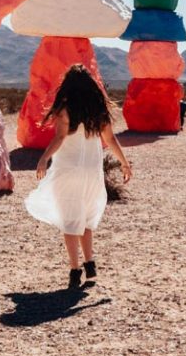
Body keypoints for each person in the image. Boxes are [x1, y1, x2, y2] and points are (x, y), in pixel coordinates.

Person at [24, 65, 132, 290]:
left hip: (68, 170)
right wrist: (123, 162)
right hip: (92, 172)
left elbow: (60, 138)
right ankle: (89, 261)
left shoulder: (65, 108)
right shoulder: (98, 109)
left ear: (68, 86)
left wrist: (44, 158)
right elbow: (110, 139)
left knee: (70, 220)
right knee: (86, 216)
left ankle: (75, 269)